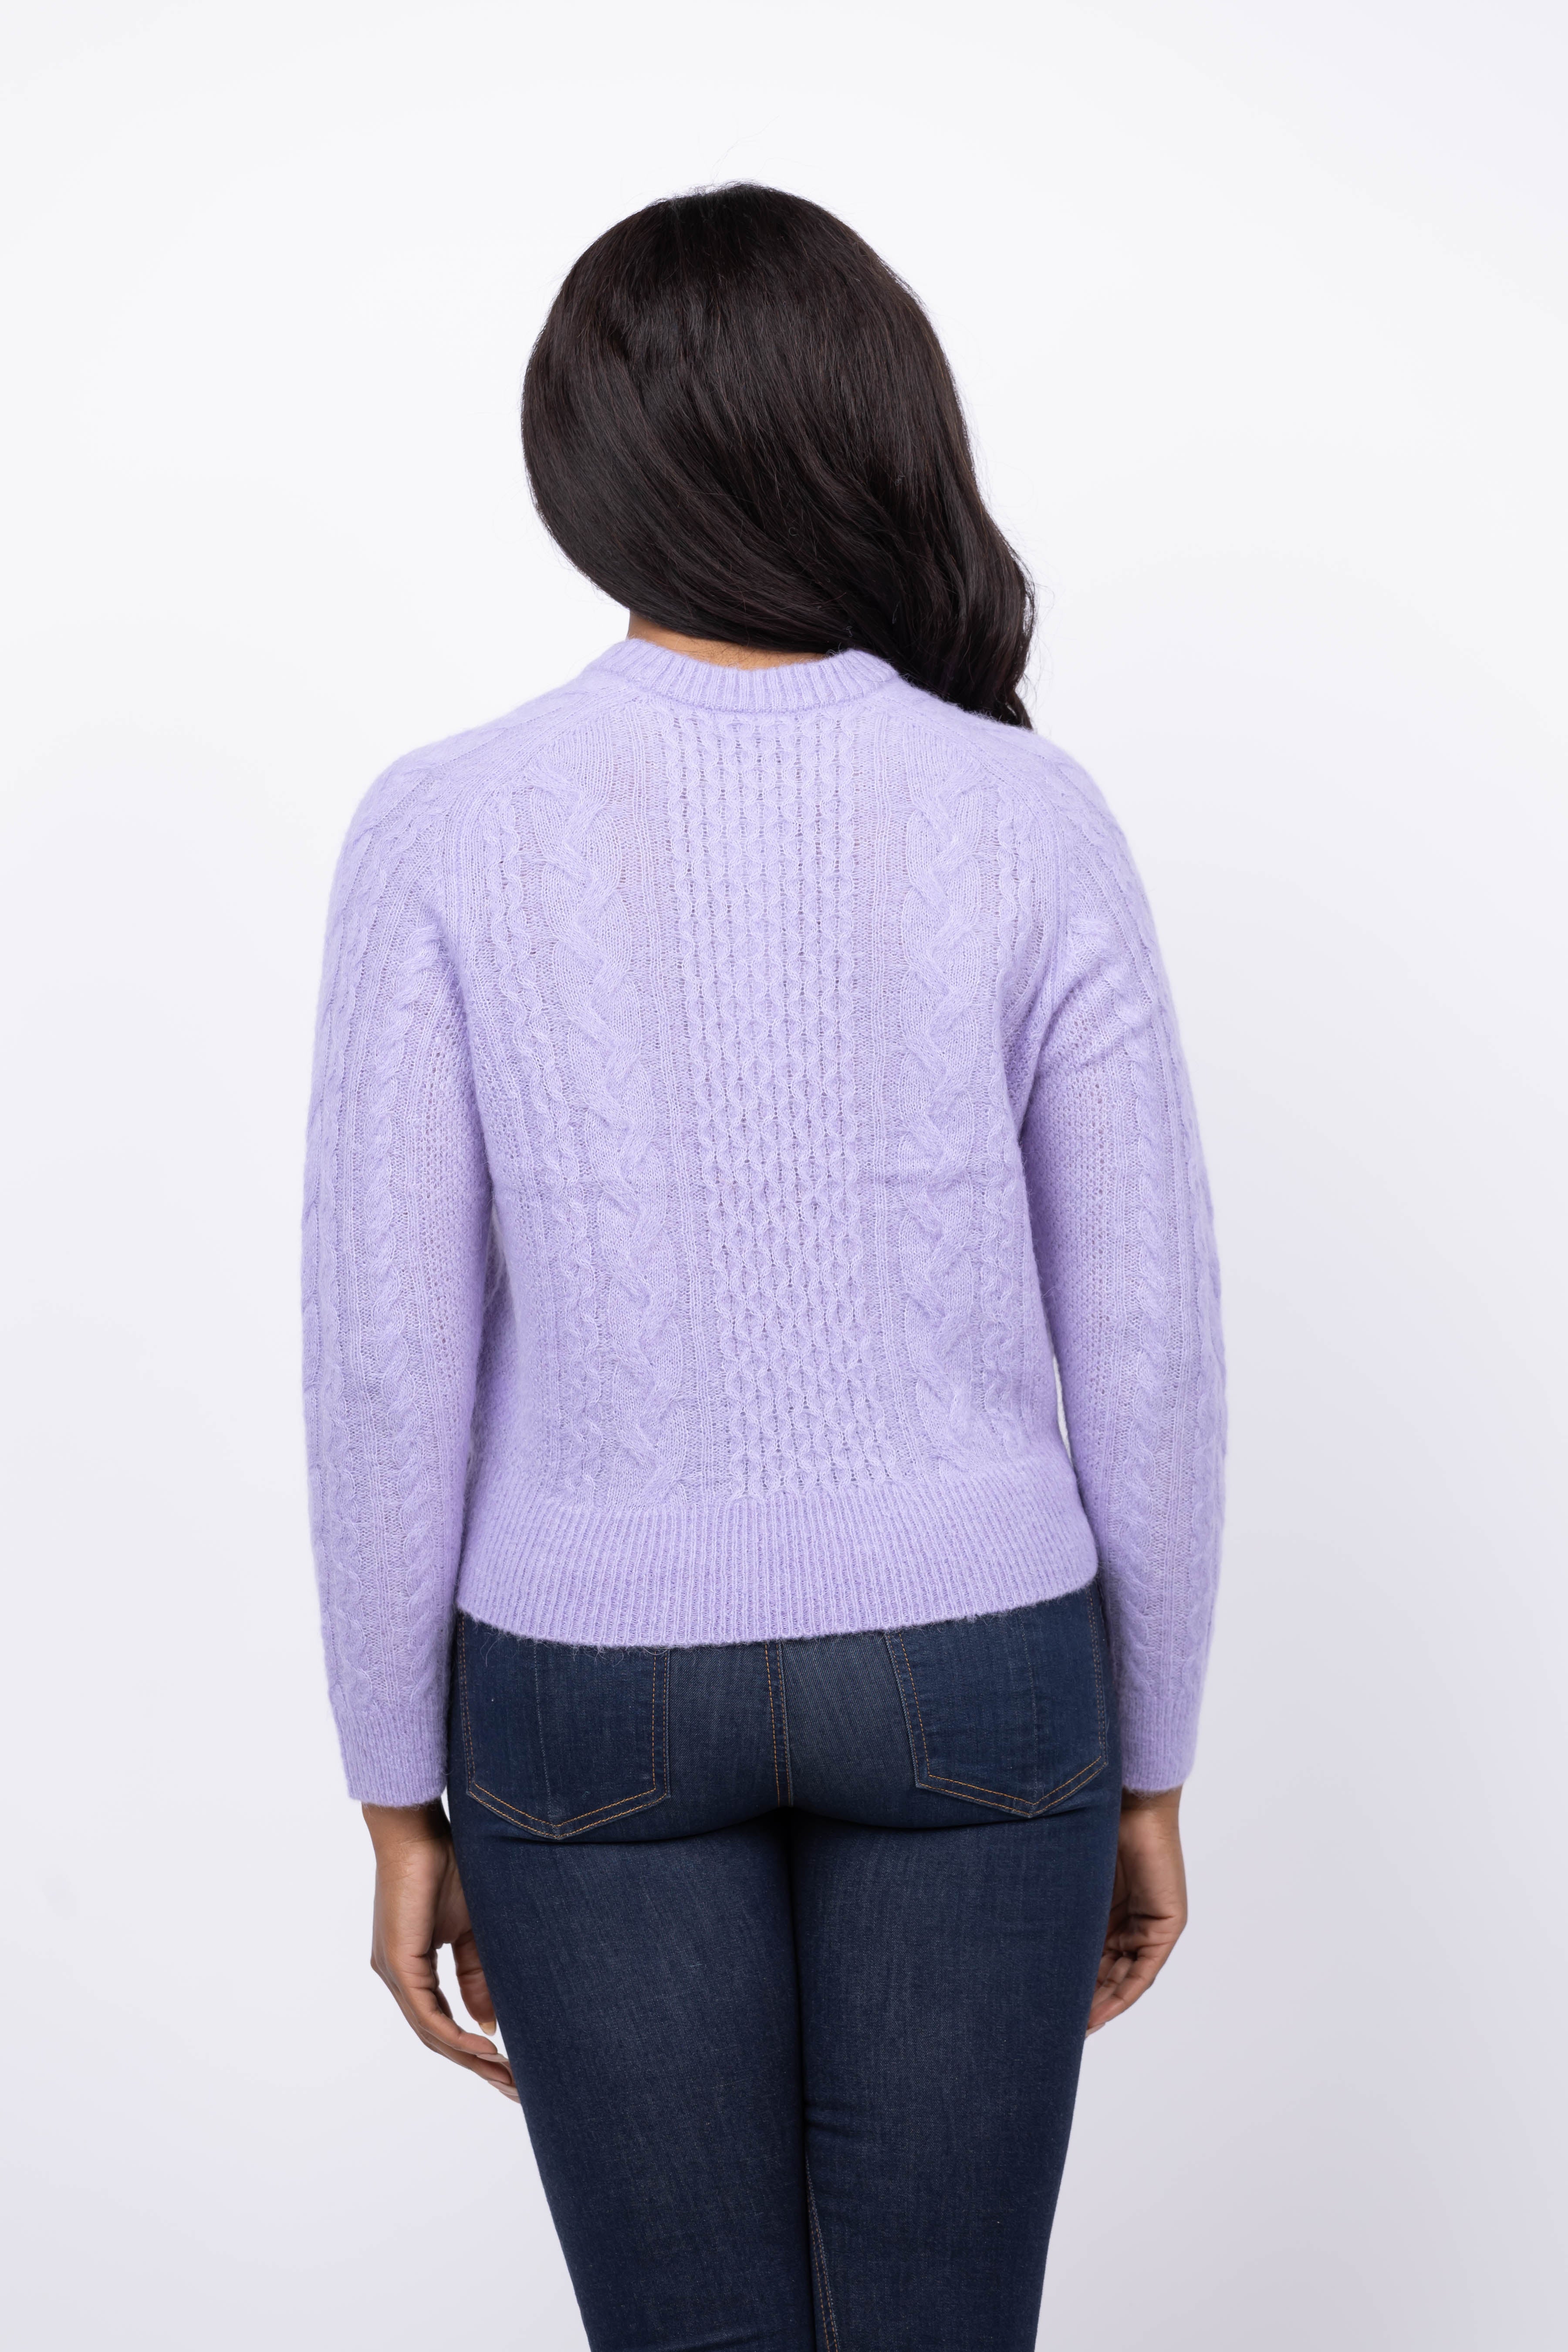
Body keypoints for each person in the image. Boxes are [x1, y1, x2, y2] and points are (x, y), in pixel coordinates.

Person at [302, 182, 1225, 2352]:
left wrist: (393, 1783)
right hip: (982, 1678)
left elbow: (384, 1355)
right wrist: (1152, 1756)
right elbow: (1151, 1344)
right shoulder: (1029, 813)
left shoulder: (447, 823)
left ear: (584, 462)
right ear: (875, 427)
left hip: (581, 1685)